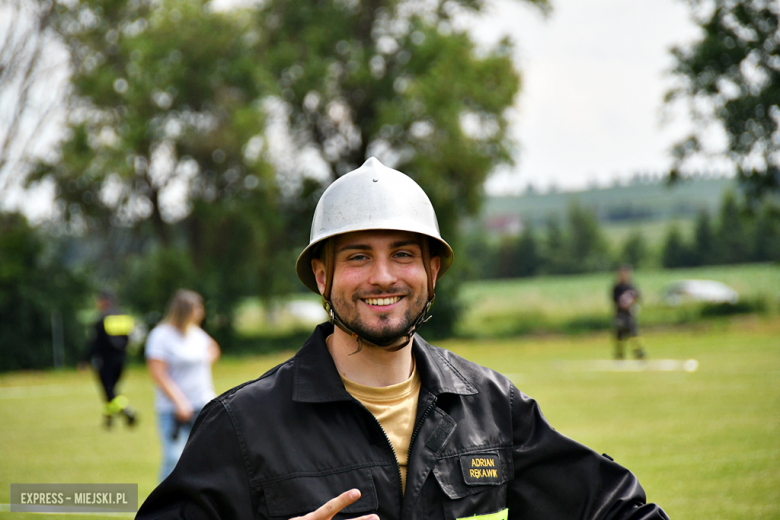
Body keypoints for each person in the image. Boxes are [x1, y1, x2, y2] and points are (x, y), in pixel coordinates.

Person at [137, 158, 668, 520]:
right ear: (321, 276)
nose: (383, 277)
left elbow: (612, 510)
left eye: (404, 254)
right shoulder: (242, 425)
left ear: (432, 271)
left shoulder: (492, 409)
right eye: (357, 256)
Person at [145, 289, 221, 482]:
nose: (201, 312)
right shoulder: (160, 335)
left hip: (203, 403)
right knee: (174, 458)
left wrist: (200, 367)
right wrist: (180, 401)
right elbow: (158, 373)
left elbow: (214, 349)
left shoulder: (196, 333)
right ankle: (162, 508)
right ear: (185, 309)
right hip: (173, 409)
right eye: (198, 307)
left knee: (207, 458)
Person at [81, 291, 137, 429]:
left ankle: (126, 409)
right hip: (121, 360)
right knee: (111, 390)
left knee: (109, 391)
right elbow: (129, 339)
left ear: (104, 302)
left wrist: (84, 359)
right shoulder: (125, 317)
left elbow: (94, 342)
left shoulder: (102, 319)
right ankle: (109, 420)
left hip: (105, 360)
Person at [612, 264, 646, 360]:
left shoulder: (631, 286)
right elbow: (616, 301)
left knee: (634, 335)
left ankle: (639, 353)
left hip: (630, 315)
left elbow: (637, 297)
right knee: (620, 336)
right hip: (620, 315)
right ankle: (619, 355)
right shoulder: (617, 288)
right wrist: (624, 305)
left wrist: (632, 303)